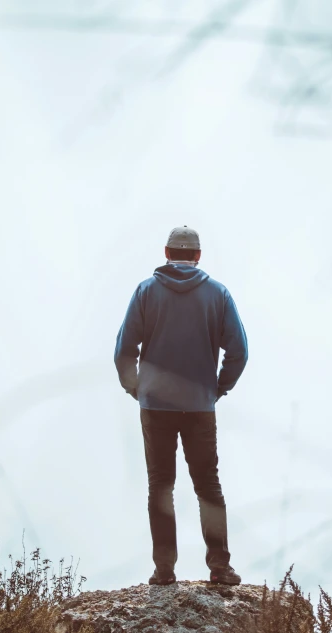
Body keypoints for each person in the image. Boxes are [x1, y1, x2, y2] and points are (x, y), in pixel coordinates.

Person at [114, 226, 248, 586]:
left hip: (155, 405)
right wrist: (218, 388)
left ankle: (164, 570)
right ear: (198, 256)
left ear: (167, 252)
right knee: (208, 485)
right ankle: (219, 566)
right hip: (200, 406)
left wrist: (136, 389)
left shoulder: (145, 292)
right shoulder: (218, 295)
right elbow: (239, 351)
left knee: (161, 486)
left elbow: (124, 350)